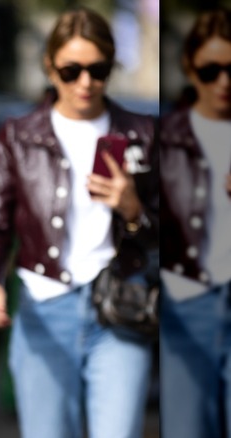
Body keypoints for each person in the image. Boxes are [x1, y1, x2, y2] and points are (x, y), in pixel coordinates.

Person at [0, 6, 158, 438]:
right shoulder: (20, 134)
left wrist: (134, 210)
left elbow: (170, 232)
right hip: (44, 305)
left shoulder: (143, 133)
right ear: (49, 66)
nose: (85, 82)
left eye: (98, 69)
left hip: (120, 307)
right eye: (71, 70)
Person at [160, 7, 231, 438]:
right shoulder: (165, 137)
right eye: (210, 70)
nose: (224, 81)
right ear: (189, 66)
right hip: (185, 304)